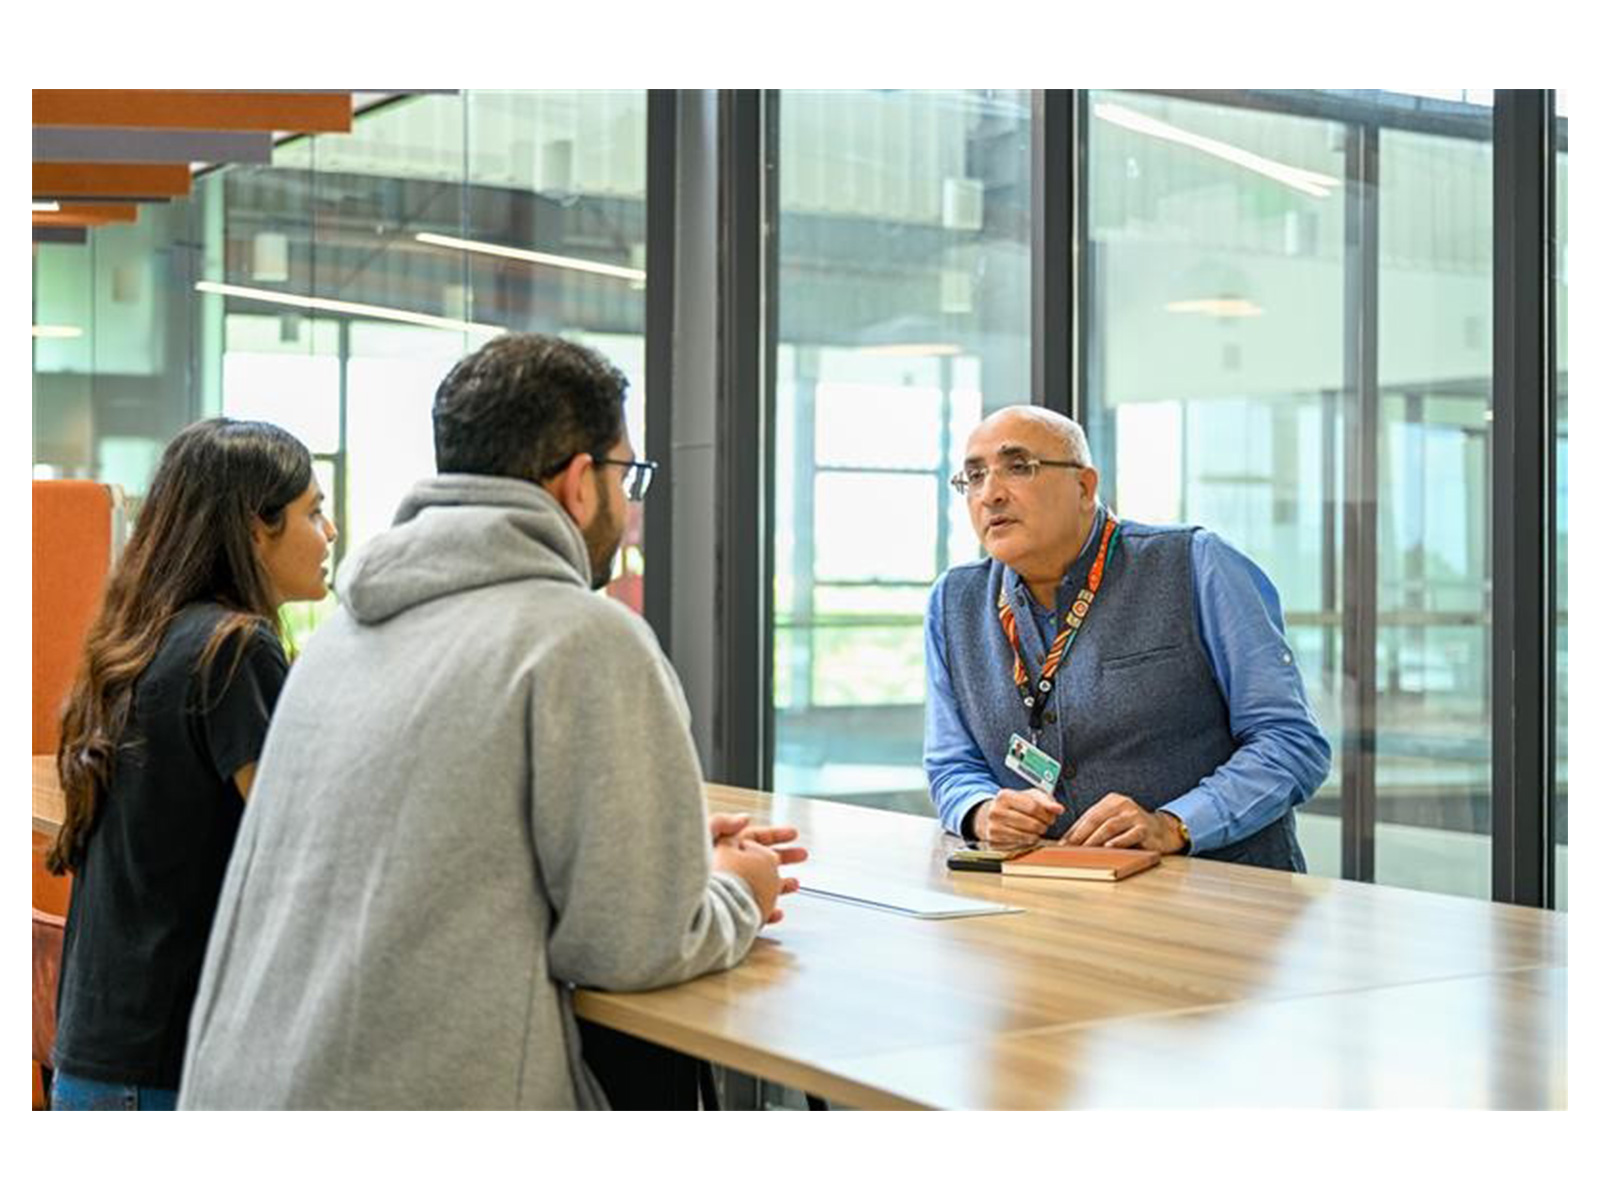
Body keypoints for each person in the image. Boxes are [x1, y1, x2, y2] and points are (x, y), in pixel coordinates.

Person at [178, 333, 804, 1110]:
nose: (630, 505)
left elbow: (445, 857)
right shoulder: (581, 637)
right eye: (627, 475)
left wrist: (658, 849)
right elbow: (634, 944)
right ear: (580, 483)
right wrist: (739, 887)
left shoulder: (347, 633)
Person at [46, 418, 336, 1110]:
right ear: (253, 527)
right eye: (313, 511)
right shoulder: (234, 649)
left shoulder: (144, 639)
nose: (329, 534)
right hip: (162, 1068)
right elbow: (293, 846)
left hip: (97, 1056)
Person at [923, 405, 1330, 870]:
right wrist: (979, 811)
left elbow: (1292, 743)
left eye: (1018, 467)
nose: (990, 494)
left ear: (1084, 486)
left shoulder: (1197, 565)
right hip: (1044, 897)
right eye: (973, 477)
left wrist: (1176, 824)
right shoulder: (954, 601)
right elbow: (951, 764)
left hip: (1216, 896)